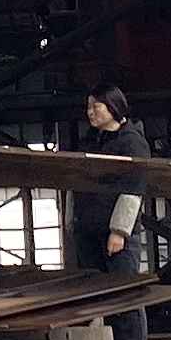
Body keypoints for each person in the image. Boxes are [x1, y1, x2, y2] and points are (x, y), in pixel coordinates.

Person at [72, 84, 154, 278]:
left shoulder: (132, 142)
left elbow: (133, 189)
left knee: (122, 289)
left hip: (116, 235)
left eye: (96, 107)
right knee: (92, 290)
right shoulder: (88, 142)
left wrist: (119, 231)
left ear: (113, 106)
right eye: (88, 107)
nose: (90, 112)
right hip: (88, 231)